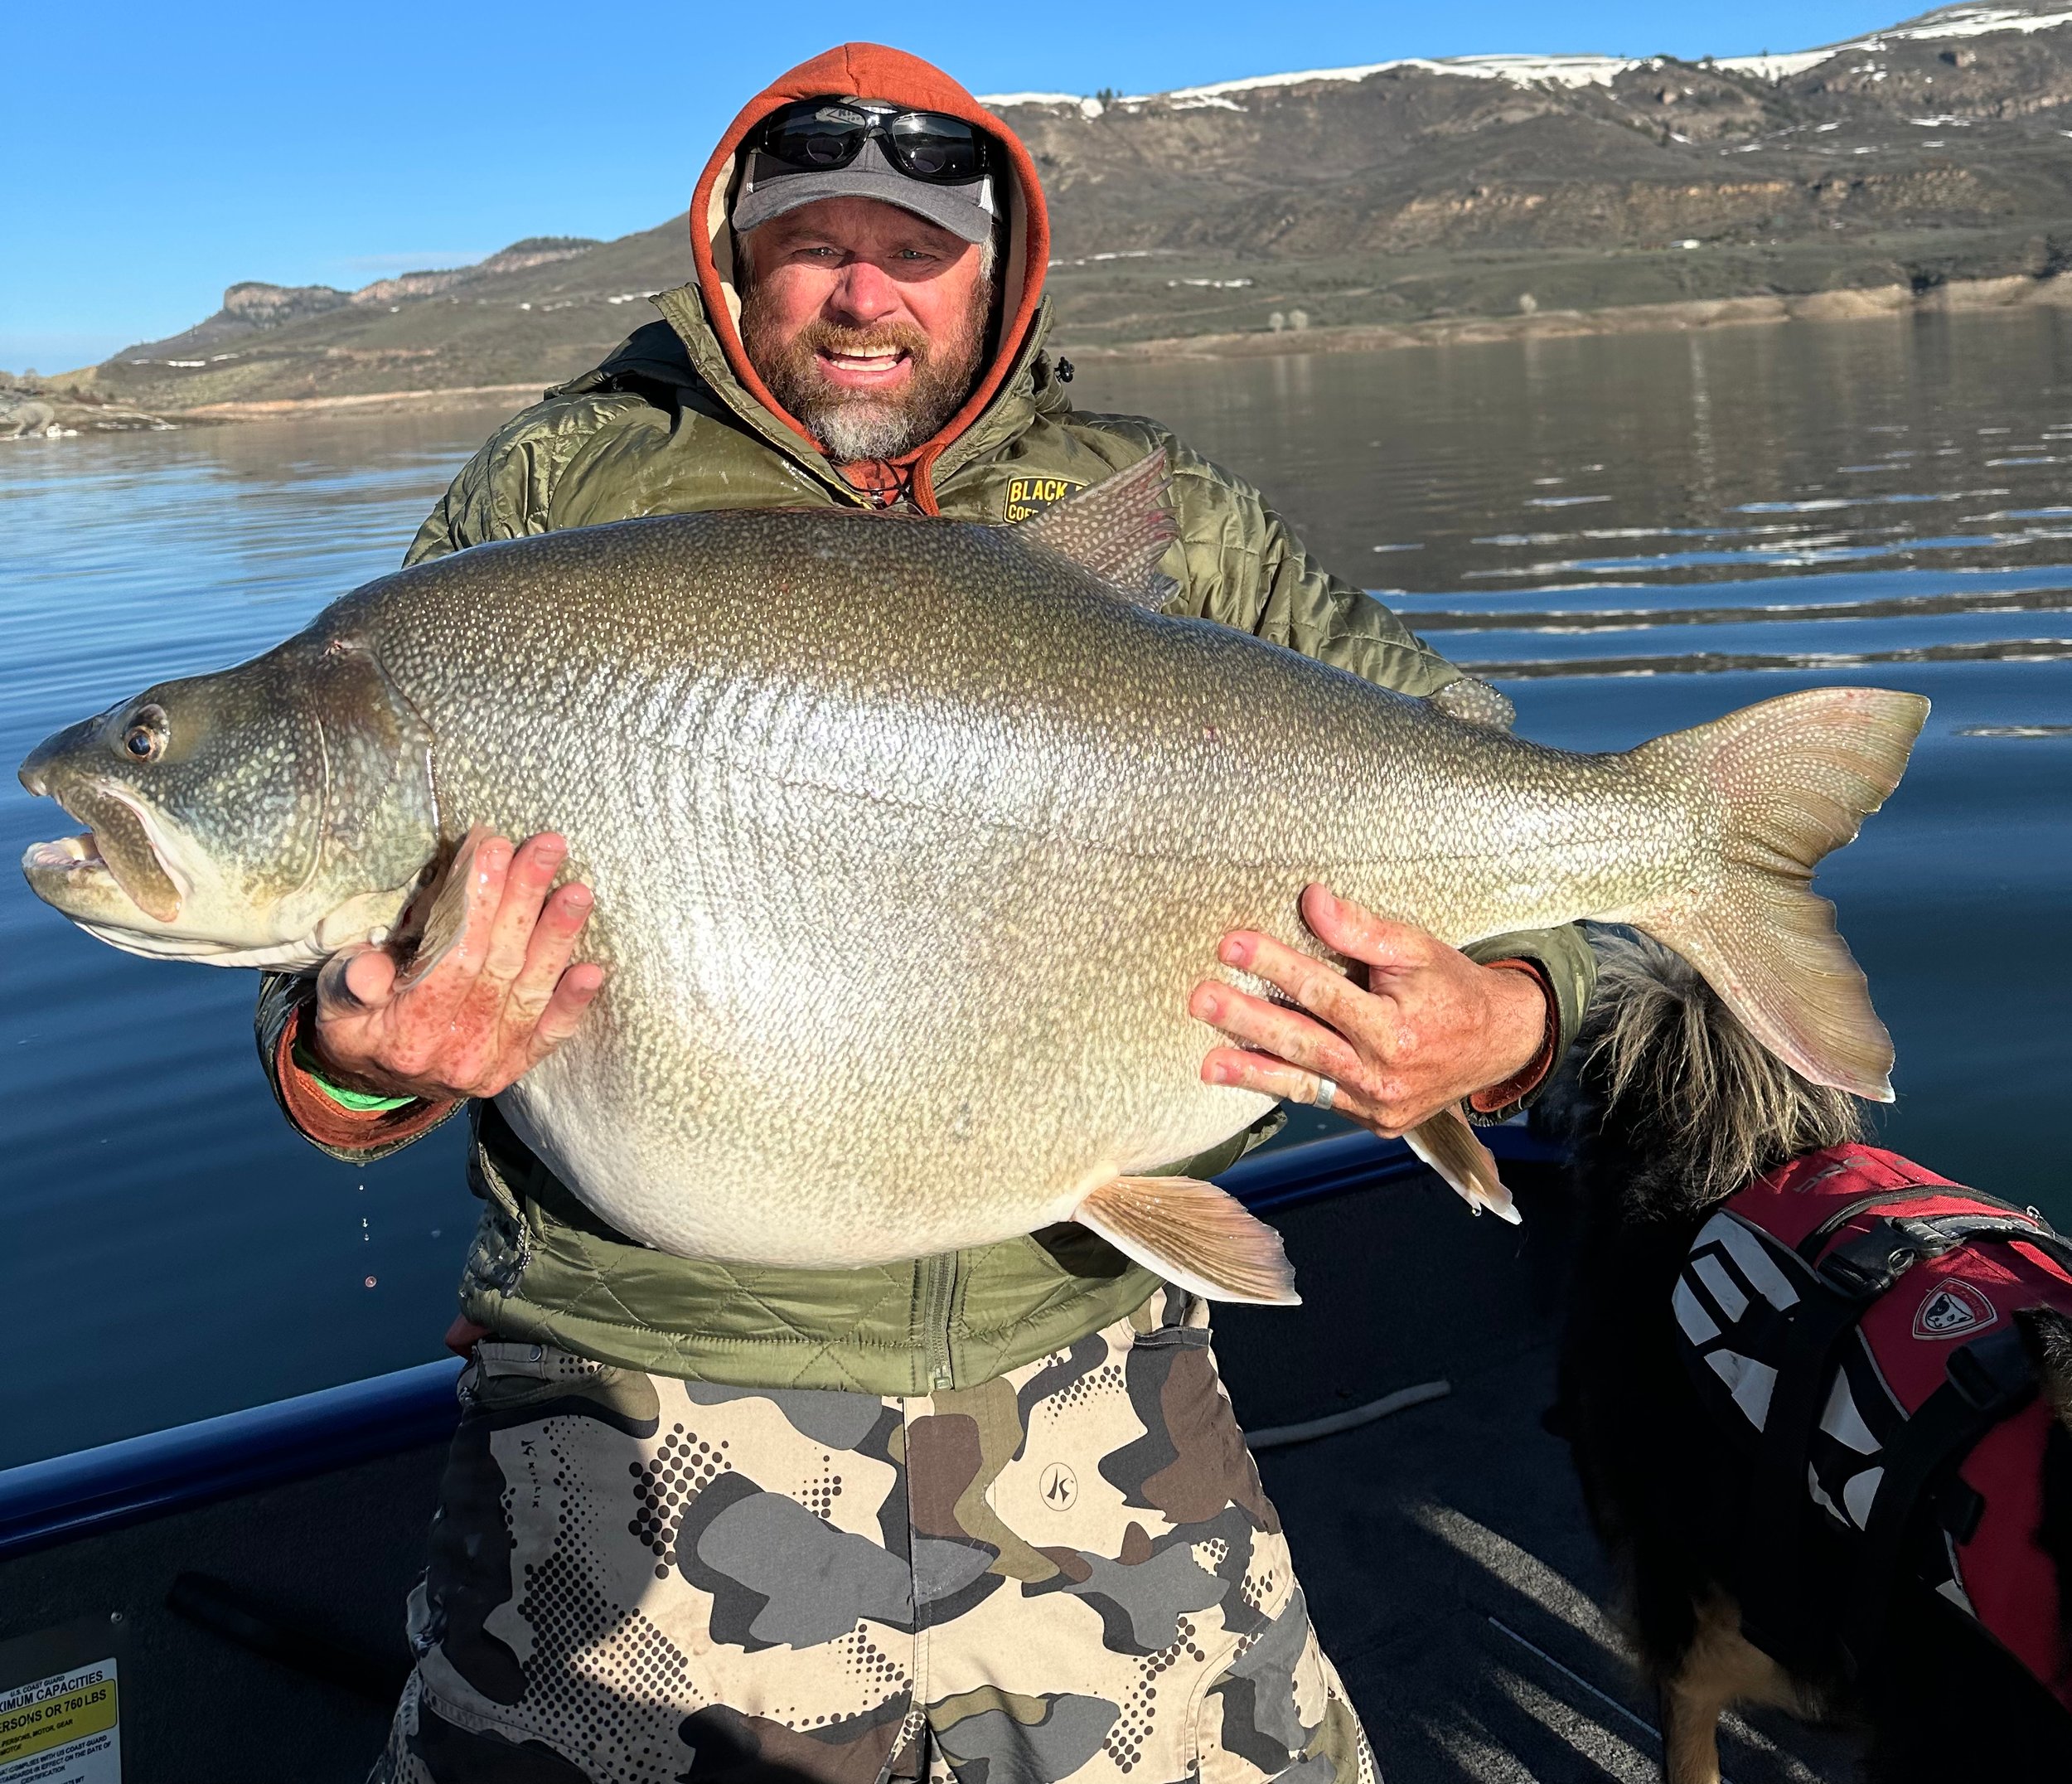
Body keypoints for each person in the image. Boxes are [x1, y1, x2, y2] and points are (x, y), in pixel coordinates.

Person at [258, 43, 1597, 1784]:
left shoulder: (1165, 516)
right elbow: (323, 965)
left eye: (915, 248)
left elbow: (1472, 774)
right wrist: (364, 1058)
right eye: (814, 240)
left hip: (1099, 1359)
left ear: (999, 268)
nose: (864, 291)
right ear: (733, 256)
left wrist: (1511, 1015)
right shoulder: (547, 499)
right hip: (640, 1390)